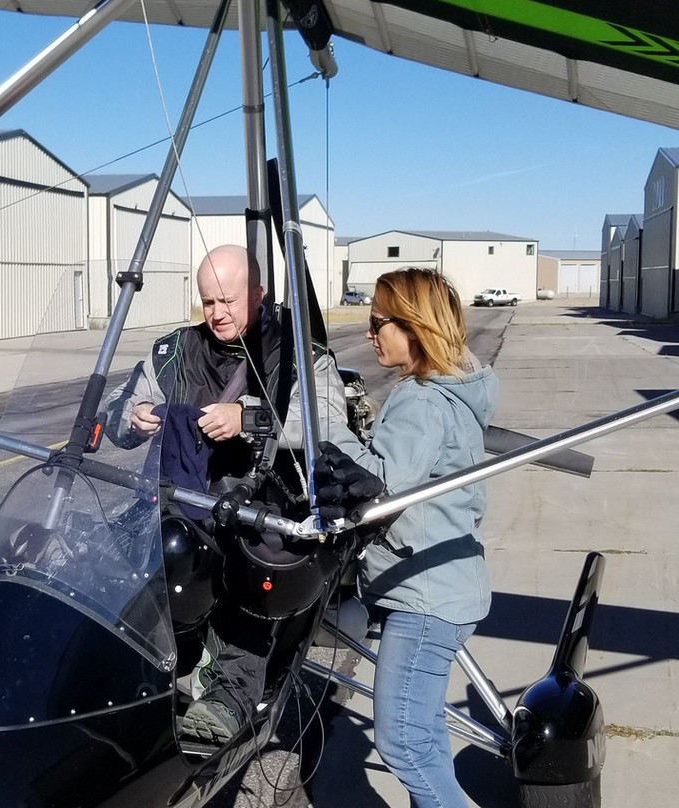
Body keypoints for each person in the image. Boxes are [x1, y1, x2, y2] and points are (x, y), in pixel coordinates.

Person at [104, 243, 348, 742]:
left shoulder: (303, 357)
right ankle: (163, 671)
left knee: (252, 570)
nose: (216, 314)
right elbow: (114, 407)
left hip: (262, 507)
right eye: (207, 302)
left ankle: (232, 697)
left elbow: (331, 426)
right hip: (180, 503)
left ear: (257, 293)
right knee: (134, 562)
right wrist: (130, 418)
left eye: (229, 302)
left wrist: (251, 419)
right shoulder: (172, 353)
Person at [318, 266, 496, 808]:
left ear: (412, 326)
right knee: (426, 739)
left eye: (377, 322)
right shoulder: (453, 391)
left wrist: (326, 422)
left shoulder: (421, 400)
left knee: (402, 740)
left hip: (425, 600)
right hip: (440, 585)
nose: (370, 333)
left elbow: (377, 489)